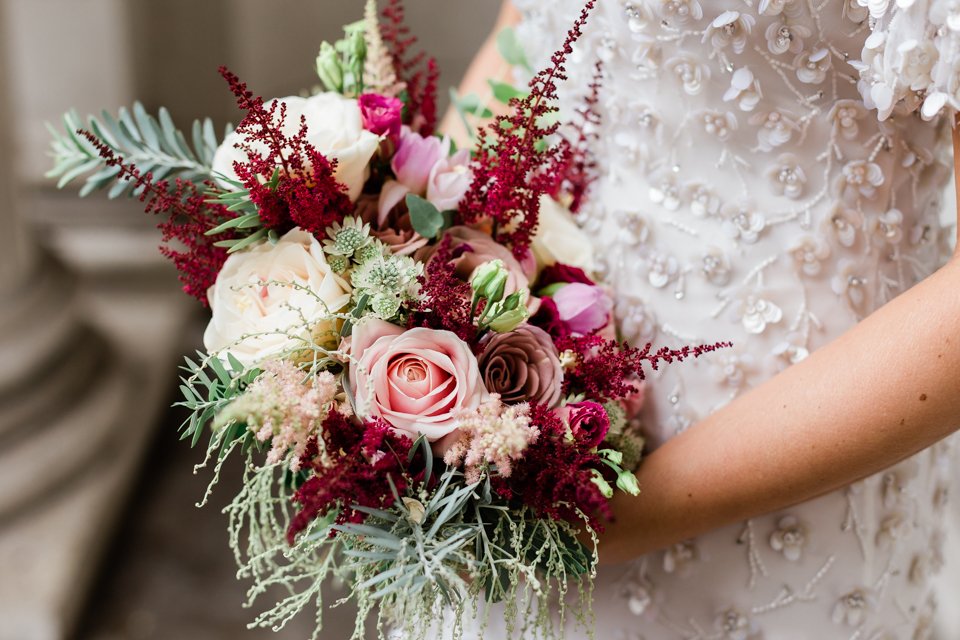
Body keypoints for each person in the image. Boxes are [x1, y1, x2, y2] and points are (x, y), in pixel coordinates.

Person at [440, 0, 960, 637]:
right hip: (520, 429)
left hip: (790, 475)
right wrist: (422, 288)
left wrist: (625, 515)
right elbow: (527, 29)